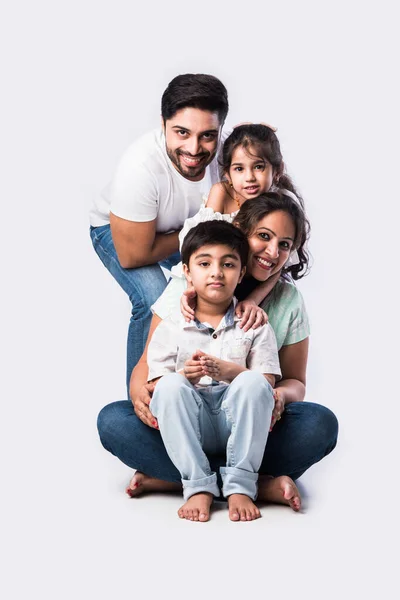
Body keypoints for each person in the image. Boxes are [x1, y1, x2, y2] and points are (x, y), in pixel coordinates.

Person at [97, 193, 339, 521]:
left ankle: (190, 481)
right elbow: (150, 370)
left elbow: (284, 382)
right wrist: (146, 393)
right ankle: (239, 484)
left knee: (320, 424)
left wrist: (275, 395)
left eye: (285, 244)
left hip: (253, 424)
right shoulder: (182, 295)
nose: (272, 252)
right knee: (113, 421)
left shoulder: (273, 312)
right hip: (185, 419)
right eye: (264, 237)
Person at [89, 74, 229, 389]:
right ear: (163, 123)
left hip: (192, 233)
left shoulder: (230, 150)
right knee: (155, 299)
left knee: (221, 289)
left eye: (207, 135)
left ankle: (206, 394)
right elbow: (133, 254)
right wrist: (194, 233)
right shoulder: (139, 167)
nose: (194, 149)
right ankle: (141, 399)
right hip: (124, 234)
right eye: (182, 132)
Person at [147, 221, 281, 522]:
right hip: (191, 428)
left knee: (254, 384)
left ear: (242, 273)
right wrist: (185, 376)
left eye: (228, 264)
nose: (216, 272)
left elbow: (266, 387)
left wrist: (229, 372)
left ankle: (240, 485)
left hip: (240, 425)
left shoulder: (256, 324)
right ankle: (198, 485)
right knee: (162, 391)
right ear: (187, 272)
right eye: (204, 263)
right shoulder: (171, 326)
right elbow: (156, 389)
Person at [170, 123, 304, 320]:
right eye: (239, 169)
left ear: (277, 170)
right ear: (227, 173)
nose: (249, 178)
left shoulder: (281, 203)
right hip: (206, 265)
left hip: (251, 276)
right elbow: (201, 245)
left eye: (259, 167)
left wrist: (253, 300)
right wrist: (192, 289)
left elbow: (280, 262)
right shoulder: (222, 193)